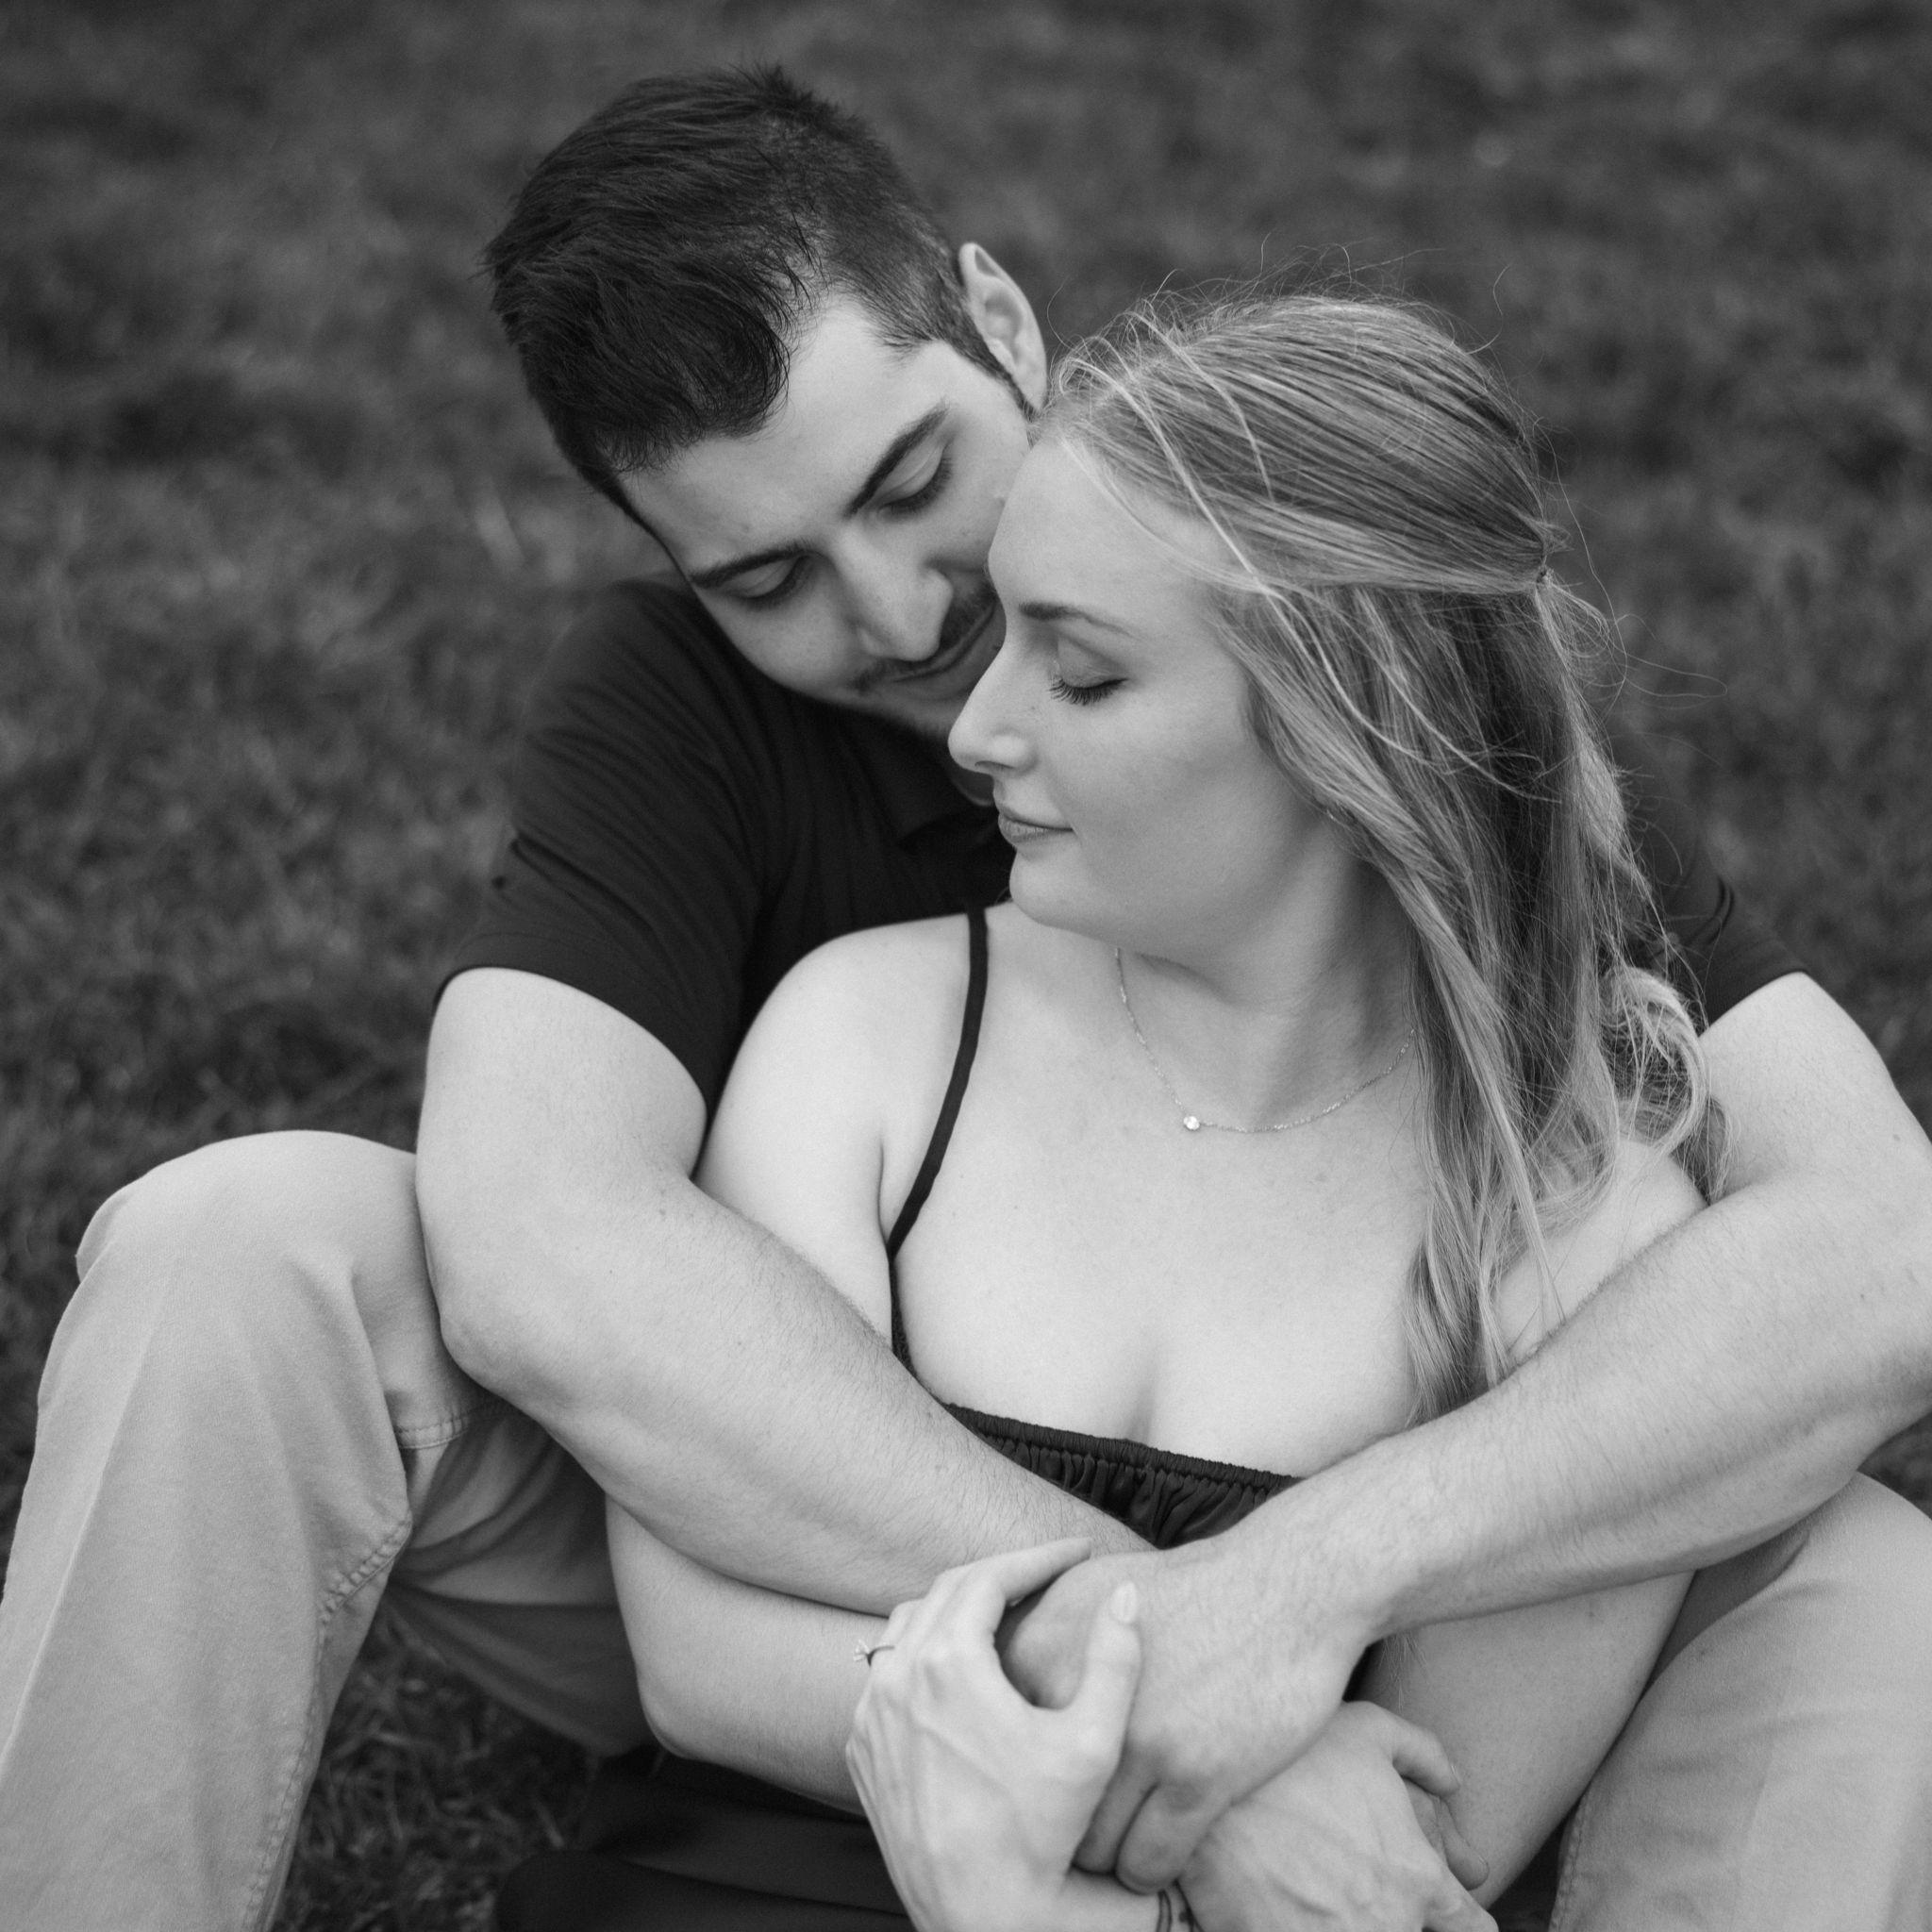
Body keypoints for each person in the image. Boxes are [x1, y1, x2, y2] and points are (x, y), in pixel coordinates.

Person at [0, 66, 1927, 1932]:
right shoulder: (708, 764)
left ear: (999, 321)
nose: (905, 619)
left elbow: (1879, 1252)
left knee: (1851, 1566)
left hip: (1357, 1607)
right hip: (769, 1538)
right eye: (765, 577)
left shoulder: (1385, 676)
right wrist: (1166, 1664)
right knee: (240, 1244)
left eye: (913, 482)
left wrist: (1309, 1586)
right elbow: (541, 1249)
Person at [580, 289, 1930, 1931]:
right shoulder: (871, 1034)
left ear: (1341, 733)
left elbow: (1407, 1867)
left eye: (1080, 674)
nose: (979, 728)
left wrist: (1023, 1889)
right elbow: (698, 1657)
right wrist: (1153, 1760)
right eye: (1005, 638)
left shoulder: (1576, 1223)